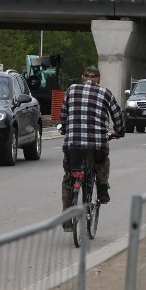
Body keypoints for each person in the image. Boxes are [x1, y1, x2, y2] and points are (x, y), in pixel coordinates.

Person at [59, 65, 125, 218]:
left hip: (73, 146)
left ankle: (67, 216)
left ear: (83, 78)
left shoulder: (71, 89)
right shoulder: (105, 93)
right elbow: (117, 115)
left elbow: (63, 115)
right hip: (96, 145)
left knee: (69, 175)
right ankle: (102, 188)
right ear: (99, 80)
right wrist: (119, 131)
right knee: (102, 161)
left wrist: (64, 128)